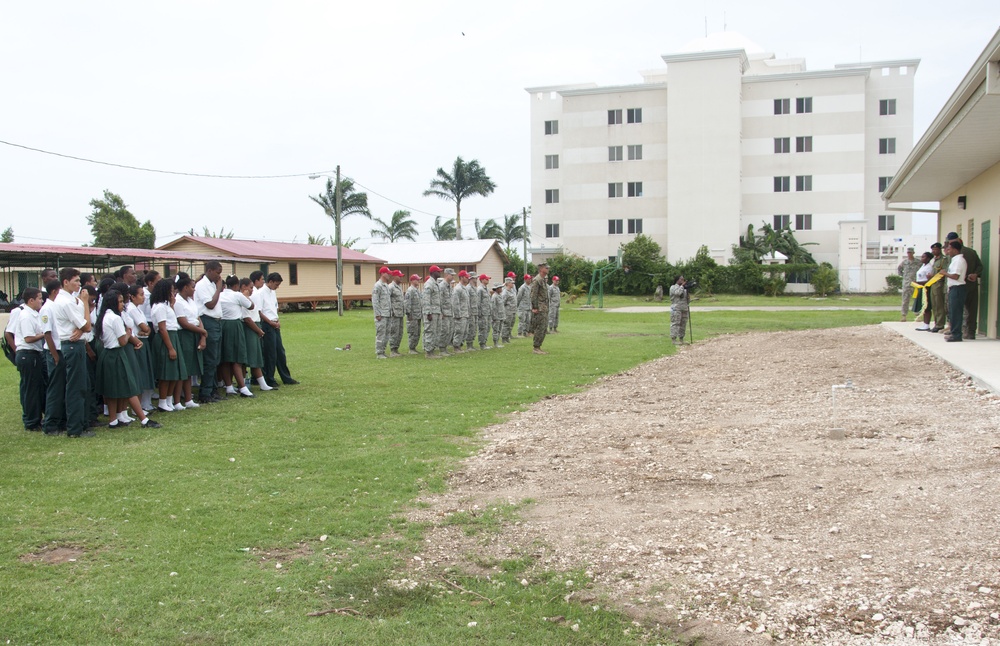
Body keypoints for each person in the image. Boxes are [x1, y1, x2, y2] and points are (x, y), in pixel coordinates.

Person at [94, 288, 161, 429]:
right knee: (130, 388)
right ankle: (144, 420)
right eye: (119, 302)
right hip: (116, 354)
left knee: (111, 390)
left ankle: (113, 420)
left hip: (107, 354)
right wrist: (127, 333)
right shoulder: (115, 318)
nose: (122, 305)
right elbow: (123, 341)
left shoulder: (104, 316)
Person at [51, 268, 94, 438]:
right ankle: (75, 428)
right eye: (75, 281)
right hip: (71, 345)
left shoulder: (71, 299)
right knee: (75, 388)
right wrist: (84, 303)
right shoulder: (66, 301)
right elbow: (87, 325)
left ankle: (80, 424)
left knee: (81, 386)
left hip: (75, 343)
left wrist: (81, 328)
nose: (79, 284)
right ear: (65, 282)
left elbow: (82, 325)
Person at [151, 278, 187, 411]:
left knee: (174, 372)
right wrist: (170, 348)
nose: (173, 294)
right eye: (171, 291)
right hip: (165, 338)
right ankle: (162, 401)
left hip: (173, 335)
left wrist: (172, 305)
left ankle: (169, 400)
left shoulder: (166, 306)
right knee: (166, 373)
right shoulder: (159, 306)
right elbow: (162, 328)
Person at [13, 287, 45, 431]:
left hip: (33, 354)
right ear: (31, 300)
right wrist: (45, 334)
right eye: (39, 298)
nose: (41, 301)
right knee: (30, 389)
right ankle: (31, 422)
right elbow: (29, 338)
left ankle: (36, 418)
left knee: (36, 388)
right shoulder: (26, 315)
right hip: (28, 354)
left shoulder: (34, 314)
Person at [258, 272, 298, 385]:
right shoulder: (261, 293)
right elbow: (259, 312)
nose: (277, 287)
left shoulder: (273, 292)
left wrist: (277, 320)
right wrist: (270, 322)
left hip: (275, 324)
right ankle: (269, 378)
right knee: (270, 353)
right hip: (267, 324)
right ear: (270, 282)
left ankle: (286, 377)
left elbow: (274, 307)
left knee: (280, 351)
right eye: (276, 284)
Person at [219, 275, 254, 396]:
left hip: (222, 325)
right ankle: (242, 387)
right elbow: (251, 305)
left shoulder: (220, 294)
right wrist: (245, 295)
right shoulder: (237, 295)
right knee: (237, 358)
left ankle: (228, 386)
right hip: (234, 325)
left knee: (226, 358)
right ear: (236, 286)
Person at [195, 261, 225, 402]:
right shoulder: (202, 285)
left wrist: (217, 287)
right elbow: (210, 304)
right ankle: (205, 393)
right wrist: (219, 288)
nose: (219, 276)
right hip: (207, 321)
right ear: (210, 270)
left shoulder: (212, 284)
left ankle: (213, 390)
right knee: (210, 359)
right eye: (218, 272)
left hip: (216, 322)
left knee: (216, 359)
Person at [174, 276, 207, 407]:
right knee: (183, 369)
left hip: (196, 333)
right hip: (185, 335)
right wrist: (202, 332)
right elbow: (184, 323)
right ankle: (177, 401)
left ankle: (188, 399)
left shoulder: (190, 301)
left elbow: (197, 318)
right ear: (185, 287)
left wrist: (203, 335)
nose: (194, 289)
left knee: (189, 370)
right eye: (192, 287)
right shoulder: (178, 302)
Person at [945, 232, 984, 339]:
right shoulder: (968, 252)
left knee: (957, 309)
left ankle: (961, 331)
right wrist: (976, 274)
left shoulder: (961, 254)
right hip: (967, 283)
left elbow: (979, 266)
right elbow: (980, 266)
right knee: (968, 309)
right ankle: (966, 331)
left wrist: (975, 274)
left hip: (963, 284)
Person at [40, 279, 66, 435]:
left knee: (62, 387)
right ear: (55, 291)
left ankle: (61, 420)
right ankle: (50, 424)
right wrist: (55, 356)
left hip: (60, 350)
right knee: (55, 389)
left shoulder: (56, 307)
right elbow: (47, 334)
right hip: (53, 351)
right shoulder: (47, 309)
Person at [239, 277, 271, 391]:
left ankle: (262, 384)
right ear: (243, 287)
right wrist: (258, 330)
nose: (252, 290)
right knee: (250, 358)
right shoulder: (242, 299)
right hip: (250, 328)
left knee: (256, 356)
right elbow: (247, 318)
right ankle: (244, 383)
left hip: (255, 326)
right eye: (250, 287)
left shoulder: (250, 297)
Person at [941, 240, 968, 343]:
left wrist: (945, 273)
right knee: (953, 312)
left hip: (957, 288)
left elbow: (956, 276)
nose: (948, 251)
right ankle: (954, 332)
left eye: (949, 248)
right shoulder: (955, 260)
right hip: (954, 288)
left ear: (955, 249)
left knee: (956, 312)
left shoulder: (958, 261)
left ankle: (956, 334)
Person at [422, 266, 443, 358]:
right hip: (431, 312)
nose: (439, 273)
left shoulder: (435, 283)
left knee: (436, 331)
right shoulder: (429, 283)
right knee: (430, 331)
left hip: (436, 311)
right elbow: (426, 299)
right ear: (433, 272)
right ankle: (428, 352)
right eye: (438, 271)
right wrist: (428, 312)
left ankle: (432, 351)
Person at [372, 266, 392, 359]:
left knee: (387, 334)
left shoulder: (386, 286)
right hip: (381, 314)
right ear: (382, 273)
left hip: (387, 314)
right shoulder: (378, 285)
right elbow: (375, 300)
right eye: (387, 273)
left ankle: (383, 351)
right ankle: (379, 353)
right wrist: (377, 314)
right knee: (381, 333)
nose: (389, 275)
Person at [529, 262, 550, 354]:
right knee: (540, 328)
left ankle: (538, 346)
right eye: (546, 268)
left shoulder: (542, 280)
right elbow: (533, 295)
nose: (548, 269)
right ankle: (536, 347)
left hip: (544, 307)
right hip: (540, 308)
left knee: (544, 327)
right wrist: (535, 307)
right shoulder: (537, 280)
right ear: (541, 269)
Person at [928, 242, 948, 333]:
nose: (934, 251)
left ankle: (940, 324)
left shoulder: (944, 259)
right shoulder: (934, 260)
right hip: (933, 284)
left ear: (940, 250)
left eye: (935, 249)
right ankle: (936, 323)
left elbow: (943, 272)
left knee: (939, 305)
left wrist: (934, 277)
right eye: (932, 249)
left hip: (939, 284)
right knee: (934, 305)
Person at [897, 248, 921, 322]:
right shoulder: (904, 262)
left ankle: (918, 315)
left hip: (915, 283)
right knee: (905, 300)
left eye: (910, 252)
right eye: (908, 253)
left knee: (916, 300)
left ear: (913, 253)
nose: (909, 254)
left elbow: (922, 270)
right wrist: (904, 276)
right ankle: (904, 315)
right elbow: (899, 269)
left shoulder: (918, 262)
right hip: (906, 283)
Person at [913, 252, 935, 331]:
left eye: (923, 257)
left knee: (927, 306)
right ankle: (925, 323)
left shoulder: (929, 267)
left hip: (926, 288)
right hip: (920, 287)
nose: (921, 258)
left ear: (928, 258)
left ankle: (927, 324)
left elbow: (929, 280)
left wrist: (919, 283)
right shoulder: (923, 266)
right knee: (923, 306)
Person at [452, 270, 471, 353]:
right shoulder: (458, 289)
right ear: (462, 277)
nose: (468, 279)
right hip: (460, 314)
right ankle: (456, 347)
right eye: (466, 277)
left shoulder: (465, 288)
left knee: (465, 331)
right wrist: (457, 314)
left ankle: (460, 346)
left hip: (465, 313)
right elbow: (455, 302)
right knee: (459, 331)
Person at [669, 275, 691, 344]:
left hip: (684, 308)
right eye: (681, 279)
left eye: (683, 279)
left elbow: (687, 299)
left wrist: (687, 289)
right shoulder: (673, 287)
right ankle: (674, 339)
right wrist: (682, 286)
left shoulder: (684, 289)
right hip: (676, 308)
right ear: (677, 280)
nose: (683, 281)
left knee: (683, 323)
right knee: (675, 323)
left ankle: (681, 339)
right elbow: (677, 293)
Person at [404, 274, 422, 355]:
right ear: (412, 281)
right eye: (417, 279)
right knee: (412, 332)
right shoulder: (410, 290)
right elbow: (407, 303)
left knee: (417, 332)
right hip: (412, 316)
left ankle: (414, 347)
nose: (418, 281)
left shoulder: (417, 290)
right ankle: (411, 348)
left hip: (418, 315)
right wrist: (409, 314)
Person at [388, 270, 405, 357]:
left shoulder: (399, 287)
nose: (401, 277)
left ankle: (396, 349)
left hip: (400, 313)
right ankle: (392, 350)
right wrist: (391, 312)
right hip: (394, 314)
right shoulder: (390, 287)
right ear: (394, 276)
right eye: (399, 276)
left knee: (399, 332)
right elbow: (387, 301)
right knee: (394, 331)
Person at [439, 268, 455, 355]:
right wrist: (441, 312)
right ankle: (442, 349)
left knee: (449, 331)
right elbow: (440, 300)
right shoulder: (442, 286)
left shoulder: (449, 286)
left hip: (450, 312)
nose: (453, 276)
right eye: (451, 275)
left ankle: (445, 348)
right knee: (444, 331)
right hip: (444, 313)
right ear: (446, 275)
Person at [476, 274, 491, 350]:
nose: (488, 280)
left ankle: (484, 342)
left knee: (487, 328)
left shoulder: (486, 289)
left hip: (487, 312)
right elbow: (478, 302)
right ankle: (482, 344)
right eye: (486, 279)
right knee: (482, 328)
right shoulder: (480, 289)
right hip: (482, 313)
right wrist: (479, 313)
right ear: (482, 280)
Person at [490, 283, 505, 348]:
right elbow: (493, 307)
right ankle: (495, 343)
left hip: (501, 315)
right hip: (496, 316)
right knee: (496, 330)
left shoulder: (500, 295)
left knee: (499, 330)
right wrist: (494, 316)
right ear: (497, 289)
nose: (501, 289)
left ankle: (498, 342)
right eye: (500, 288)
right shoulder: (494, 296)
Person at [501, 277, 516, 343]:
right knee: (506, 325)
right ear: (508, 283)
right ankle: (504, 338)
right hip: (508, 311)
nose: (513, 284)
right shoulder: (505, 292)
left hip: (513, 310)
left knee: (510, 324)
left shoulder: (512, 291)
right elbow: (503, 303)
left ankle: (507, 337)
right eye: (512, 283)